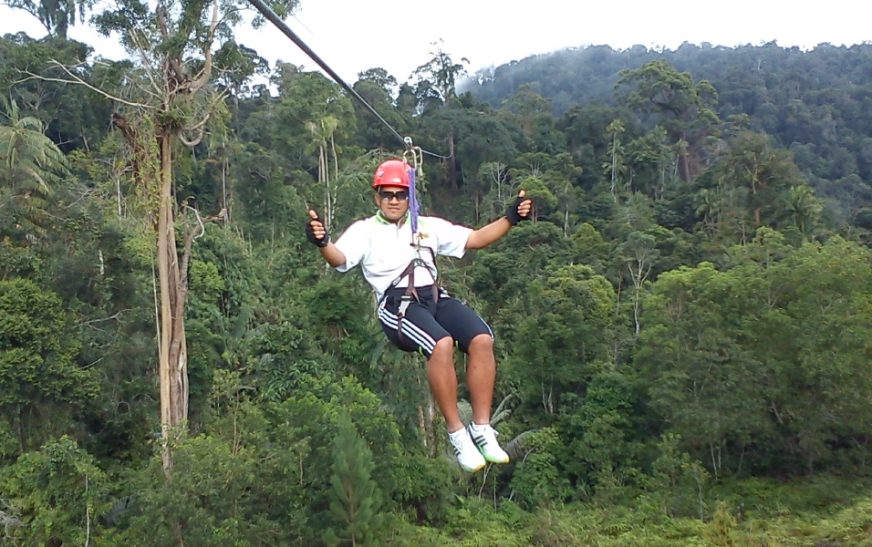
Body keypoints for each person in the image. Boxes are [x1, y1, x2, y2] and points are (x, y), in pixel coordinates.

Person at [305, 158, 532, 472]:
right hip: (397, 306)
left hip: (434, 297)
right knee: (441, 344)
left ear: (410, 197)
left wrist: (511, 218)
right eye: (387, 195)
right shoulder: (365, 231)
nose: (394, 200)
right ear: (377, 198)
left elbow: (476, 239)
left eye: (401, 194)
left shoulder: (428, 226)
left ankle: (481, 428)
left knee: (482, 339)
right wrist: (322, 242)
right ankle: (457, 435)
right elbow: (339, 259)